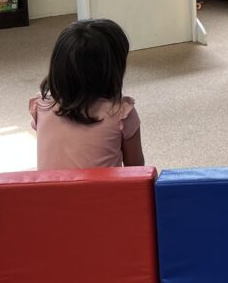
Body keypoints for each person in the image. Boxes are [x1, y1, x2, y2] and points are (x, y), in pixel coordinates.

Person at [30, 18, 144, 170]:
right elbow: (137, 171)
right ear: (113, 69)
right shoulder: (121, 112)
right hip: (101, 194)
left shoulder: (41, 106)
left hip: (49, 193)